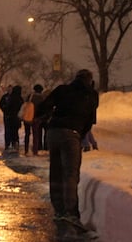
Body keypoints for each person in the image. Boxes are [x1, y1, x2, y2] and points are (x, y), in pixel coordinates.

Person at [37, 69, 99, 227]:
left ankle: (58, 210)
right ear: (89, 80)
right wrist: (79, 133)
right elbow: (90, 120)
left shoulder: (62, 89)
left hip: (53, 132)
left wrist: (48, 118)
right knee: (70, 173)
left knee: (56, 171)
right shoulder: (91, 95)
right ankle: (70, 212)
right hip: (72, 134)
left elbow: (44, 107)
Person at [22, 84, 44, 155]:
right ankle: (35, 151)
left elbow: (25, 105)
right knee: (36, 135)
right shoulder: (42, 98)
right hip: (36, 119)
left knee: (27, 134)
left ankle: (26, 150)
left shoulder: (30, 96)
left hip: (28, 117)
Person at [0, 85, 24, 152]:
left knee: (9, 131)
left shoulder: (11, 98)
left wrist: (6, 111)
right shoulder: (20, 98)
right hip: (16, 118)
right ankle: (15, 144)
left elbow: (7, 107)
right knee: (15, 132)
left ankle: (9, 144)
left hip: (10, 118)